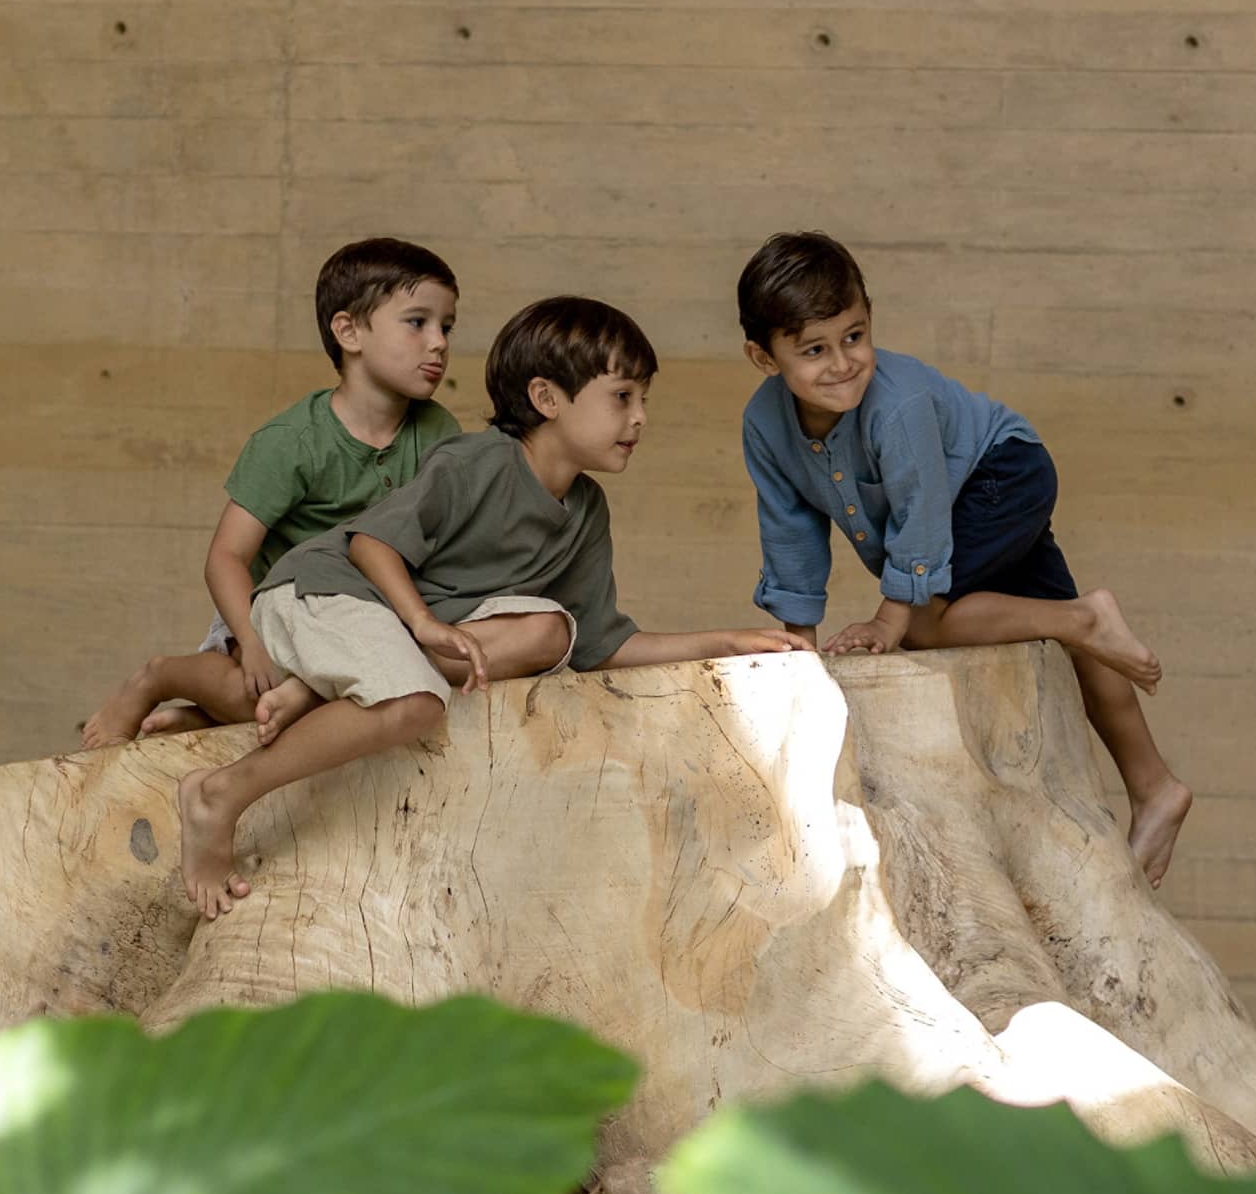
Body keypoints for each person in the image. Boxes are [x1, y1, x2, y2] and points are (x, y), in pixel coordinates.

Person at [178, 295, 809, 917]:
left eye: (643, 399)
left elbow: (601, 646)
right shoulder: (476, 463)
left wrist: (725, 643)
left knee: (552, 632)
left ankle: (325, 689)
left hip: (395, 630)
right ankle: (222, 794)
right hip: (327, 590)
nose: (640, 417)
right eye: (622, 397)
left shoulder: (585, 509)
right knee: (415, 702)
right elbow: (370, 543)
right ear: (546, 399)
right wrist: (423, 624)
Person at [737, 230, 1192, 887]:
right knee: (1040, 615)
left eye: (854, 336)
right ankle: (1155, 785)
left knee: (927, 626)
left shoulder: (897, 407)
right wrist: (797, 651)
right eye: (813, 350)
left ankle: (1084, 620)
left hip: (1002, 473)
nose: (842, 363)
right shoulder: (765, 425)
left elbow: (922, 514)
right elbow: (789, 529)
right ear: (763, 356)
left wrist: (891, 622)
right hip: (963, 499)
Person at [81, 238, 462, 747]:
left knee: (405, 676)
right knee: (264, 688)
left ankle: (210, 719)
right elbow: (226, 557)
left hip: (370, 608)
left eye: (446, 327)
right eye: (417, 323)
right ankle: (160, 677)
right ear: (349, 331)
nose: (438, 342)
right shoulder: (292, 442)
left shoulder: (438, 432)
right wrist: (255, 643)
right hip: (274, 608)